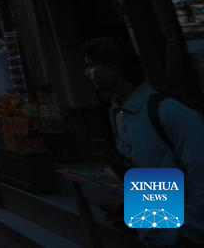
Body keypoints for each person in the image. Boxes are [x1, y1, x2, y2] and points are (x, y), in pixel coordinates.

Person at [83, 36, 204, 246]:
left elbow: (200, 173)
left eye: (91, 66)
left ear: (112, 69)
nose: (87, 73)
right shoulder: (119, 112)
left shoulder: (168, 111)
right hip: (154, 233)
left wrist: (188, 232)